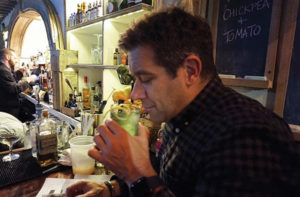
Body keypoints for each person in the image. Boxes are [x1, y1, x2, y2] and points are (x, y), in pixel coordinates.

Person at [67, 8, 300, 197]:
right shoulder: (181, 116)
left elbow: (151, 180)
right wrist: (113, 188)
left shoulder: (244, 139)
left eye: (145, 79)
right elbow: (169, 178)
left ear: (190, 71)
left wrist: (135, 176)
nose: (135, 94)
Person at [0, 48, 31, 120]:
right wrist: (27, 81)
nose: (16, 60)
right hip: (8, 110)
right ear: (7, 57)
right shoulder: (2, 70)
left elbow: (9, 81)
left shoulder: (4, 69)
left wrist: (19, 73)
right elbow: (13, 89)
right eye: (14, 58)